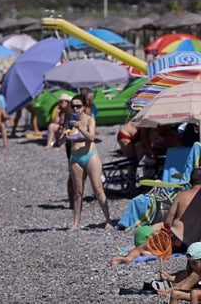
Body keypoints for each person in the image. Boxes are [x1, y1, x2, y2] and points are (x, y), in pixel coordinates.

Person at [58, 94, 112, 230]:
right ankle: (76, 223)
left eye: (78, 106)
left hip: (90, 155)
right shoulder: (70, 121)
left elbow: (91, 137)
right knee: (77, 192)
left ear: (84, 106)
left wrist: (80, 127)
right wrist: (63, 137)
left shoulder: (89, 120)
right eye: (73, 106)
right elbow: (60, 142)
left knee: (98, 189)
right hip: (75, 157)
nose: (75, 109)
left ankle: (108, 220)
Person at [116, 117, 144, 190]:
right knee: (132, 161)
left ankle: (131, 184)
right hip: (125, 135)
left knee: (135, 161)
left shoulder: (144, 116)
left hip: (132, 136)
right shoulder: (146, 119)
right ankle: (130, 186)